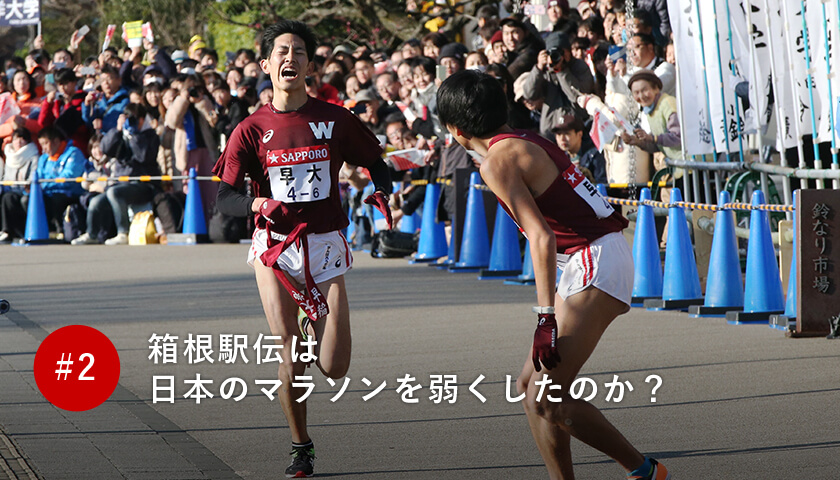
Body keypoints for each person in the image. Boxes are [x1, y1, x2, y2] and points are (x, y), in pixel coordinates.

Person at [436, 70, 670, 480]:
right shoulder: (524, 138)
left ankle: (644, 471)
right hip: (592, 255)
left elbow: (541, 238)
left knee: (546, 397)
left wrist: (545, 316)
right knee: (531, 389)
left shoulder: (496, 159)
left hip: (592, 258)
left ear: (455, 129)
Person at [212, 20, 393, 478]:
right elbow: (225, 199)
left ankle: (318, 338)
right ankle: (301, 445)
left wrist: (381, 189)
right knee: (289, 352)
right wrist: (259, 201)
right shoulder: (250, 129)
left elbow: (377, 162)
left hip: (326, 245)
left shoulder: (335, 118)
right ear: (266, 64)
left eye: (298, 52)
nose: (289, 58)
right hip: (275, 248)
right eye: (281, 52)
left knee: (334, 366)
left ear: (310, 64)